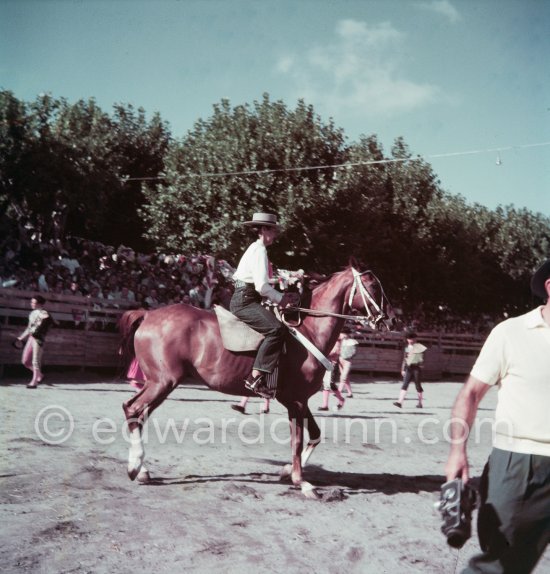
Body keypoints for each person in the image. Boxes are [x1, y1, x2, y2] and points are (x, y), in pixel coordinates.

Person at [444, 258, 550, 574]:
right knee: (500, 566)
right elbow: (471, 394)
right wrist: (457, 451)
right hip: (522, 465)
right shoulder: (511, 333)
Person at [230, 212, 299, 398]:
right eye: (274, 230)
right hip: (246, 300)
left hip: (246, 296)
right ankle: (255, 378)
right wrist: (282, 299)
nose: (276, 234)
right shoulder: (259, 250)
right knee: (277, 330)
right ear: (263, 230)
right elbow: (261, 286)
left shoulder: (255, 249)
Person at [16, 295, 53, 388]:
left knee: (35, 361)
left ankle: (34, 382)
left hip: (38, 338)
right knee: (25, 361)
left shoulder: (44, 313)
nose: (31, 304)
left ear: (40, 304)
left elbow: (49, 322)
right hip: (31, 338)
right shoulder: (32, 313)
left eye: (34, 302)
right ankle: (39, 375)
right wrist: (21, 337)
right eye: (31, 302)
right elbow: (29, 328)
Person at [393, 331, 427, 408]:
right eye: (409, 339)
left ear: (415, 339)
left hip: (416, 367)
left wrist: (421, 363)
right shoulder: (407, 347)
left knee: (418, 386)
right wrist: (402, 369)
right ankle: (400, 402)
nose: (410, 340)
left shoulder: (419, 347)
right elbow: (404, 359)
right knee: (405, 384)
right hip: (408, 368)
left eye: (411, 339)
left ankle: (420, 403)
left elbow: (423, 358)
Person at [318, 334, 346, 411]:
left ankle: (340, 400)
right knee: (327, 383)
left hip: (332, 364)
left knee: (330, 383)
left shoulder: (338, 342)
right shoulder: (334, 341)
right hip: (327, 362)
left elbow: (334, 353)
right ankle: (326, 405)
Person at [338, 331, 358, 398]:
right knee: (345, 378)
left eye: (344, 334)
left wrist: (346, 357)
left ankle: (338, 391)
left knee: (343, 377)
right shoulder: (340, 341)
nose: (342, 335)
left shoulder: (352, 341)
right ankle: (350, 393)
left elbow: (353, 352)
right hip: (341, 360)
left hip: (347, 361)